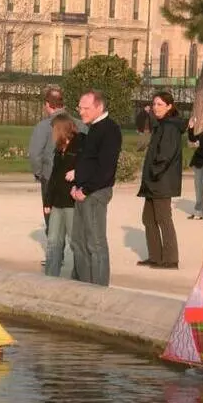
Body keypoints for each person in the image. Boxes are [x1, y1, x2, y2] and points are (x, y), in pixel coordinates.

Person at [69, 90, 122, 286]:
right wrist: (76, 185)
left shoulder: (109, 130)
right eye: (80, 108)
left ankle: (98, 288)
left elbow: (106, 168)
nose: (81, 112)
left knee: (95, 243)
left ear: (99, 107)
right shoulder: (94, 128)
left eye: (86, 108)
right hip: (83, 191)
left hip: (95, 193)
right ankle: (84, 283)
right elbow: (86, 161)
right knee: (77, 241)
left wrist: (86, 189)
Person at [137, 92, 185, 269]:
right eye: (154, 104)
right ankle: (156, 256)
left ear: (169, 106)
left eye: (160, 104)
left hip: (161, 180)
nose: (156, 107)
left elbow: (165, 155)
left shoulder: (170, 127)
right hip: (154, 180)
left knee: (164, 218)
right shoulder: (161, 125)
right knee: (148, 218)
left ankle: (171, 259)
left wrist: (154, 173)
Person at [29, 86, 83, 228]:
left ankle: (55, 248)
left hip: (50, 176)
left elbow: (35, 155)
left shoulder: (44, 126)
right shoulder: (79, 124)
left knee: (52, 221)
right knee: (73, 221)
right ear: (62, 103)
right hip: (75, 177)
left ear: (47, 104)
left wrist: (39, 173)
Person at [42, 113, 84, 277]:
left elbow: (89, 165)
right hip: (57, 202)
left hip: (71, 202)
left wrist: (77, 172)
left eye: (54, 129)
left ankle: (80, 274)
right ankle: (51, 275)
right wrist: (47, 201)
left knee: (75, 241)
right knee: (53, 241)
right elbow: (53, 177)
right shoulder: (58, 149)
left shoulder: (80, 144)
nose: (52, 133)